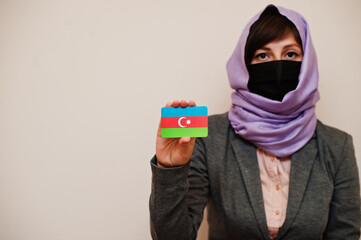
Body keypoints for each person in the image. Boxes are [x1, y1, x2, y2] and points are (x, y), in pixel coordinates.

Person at [149, 5, 360, 240]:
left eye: (291, 54)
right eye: (263, 55)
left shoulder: (337, 146)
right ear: (245, 64)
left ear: (307, 63)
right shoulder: (210, 137)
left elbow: (345, 234)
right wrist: (170, 169)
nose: (278, 64)